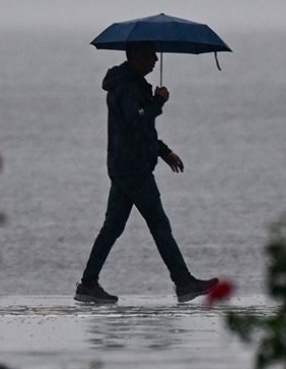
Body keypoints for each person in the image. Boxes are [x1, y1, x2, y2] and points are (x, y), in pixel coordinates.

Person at [75, 41, 217, 304]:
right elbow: (136, 120)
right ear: (135, 56)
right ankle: (184, 282)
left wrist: (164, 152)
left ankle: (88, 284)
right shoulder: (128, 86)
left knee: (113, 227)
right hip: (132, 169)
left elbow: (140, 130)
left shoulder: (131, 84)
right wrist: (158, 102)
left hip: (125, 166)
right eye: (150, 55)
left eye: (154, 55)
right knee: (159, 226)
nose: (154, 60)